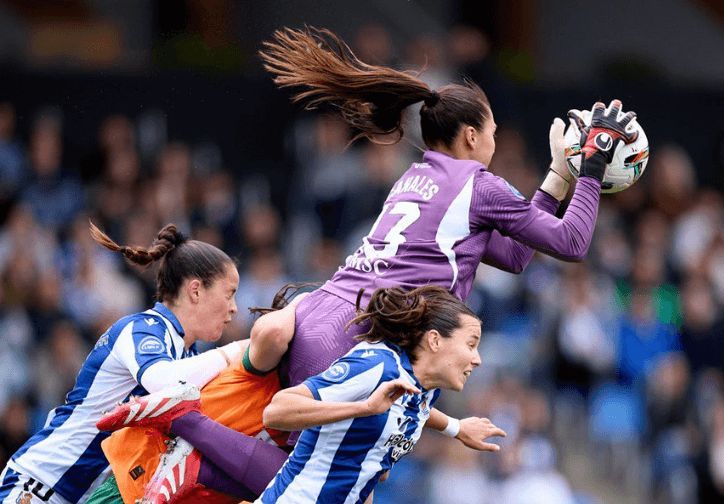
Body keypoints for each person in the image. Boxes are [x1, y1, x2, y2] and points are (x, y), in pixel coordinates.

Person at [100, 25, 638, 502]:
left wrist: (560, 175)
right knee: (329, 476)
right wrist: (588, 168)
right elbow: (571, 243)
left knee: (338, 475)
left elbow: (515, 255)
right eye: (493, 132)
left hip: (321, 316)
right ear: (472, 136)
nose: (495, 143)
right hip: (359, 335)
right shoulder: (478, 184)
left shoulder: (415, 177)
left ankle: (193, 443)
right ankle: (191, 447)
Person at [90, 284, 502, 504]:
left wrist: (456, 428)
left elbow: (411, 411)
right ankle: (184, 421)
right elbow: (279, 410)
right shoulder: (377, 366)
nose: (478, 358)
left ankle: (192, 448)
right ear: (434, 340)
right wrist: (363, 407)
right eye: (471, 344)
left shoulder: (421, 391)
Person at [0, 223, 245, 504]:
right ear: (195, 291)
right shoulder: (142, 329)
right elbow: (164, 382)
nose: (234, 307)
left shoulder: (189, 358)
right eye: (229, 293)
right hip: (40, 486)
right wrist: (236, 350)